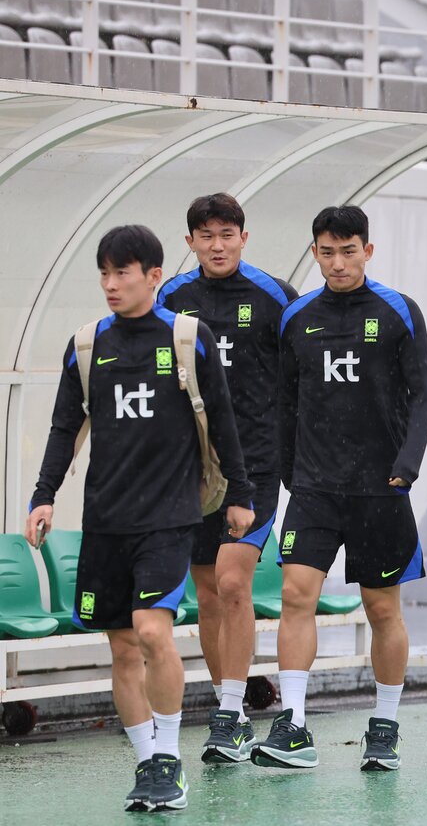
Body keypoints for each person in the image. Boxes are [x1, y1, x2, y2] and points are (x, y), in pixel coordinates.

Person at [26, 225, 256, 812]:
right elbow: (63, 427)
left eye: (122, 273)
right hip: (105, 519)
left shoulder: (187, 338)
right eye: (104, 273)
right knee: (124, 649)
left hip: (169, 517)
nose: (111, 284)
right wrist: (43, 495)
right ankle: (147, 760)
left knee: (153, 631)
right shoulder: (86, 345)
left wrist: (240, 492)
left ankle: (170, 759)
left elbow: (223, 419)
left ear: (153, 277)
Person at [255, 205, 427, 772]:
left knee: (381, 608)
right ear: (315, 253)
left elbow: (423, 397)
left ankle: (385, 726)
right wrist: (289, 470)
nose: (337, 263)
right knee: (294, 595)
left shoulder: (399, 311)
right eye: (327, 252)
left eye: (348, 251)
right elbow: (285, 400)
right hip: (314, 487)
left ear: (367, 251)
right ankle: (294, 725)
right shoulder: (297, 316)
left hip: (380, 489)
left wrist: (407, 466)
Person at [156, 193, 297, 764]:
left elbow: (300, 374)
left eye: (227, 234)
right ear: (190, 242)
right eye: (206, 236)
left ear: (244, 237)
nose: (217, 246)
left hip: (256, 464)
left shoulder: (275, 296)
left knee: (234, 581)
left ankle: (230, 710)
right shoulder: (171, 298)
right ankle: (231, 713)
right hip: (192, 468)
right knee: (209, 590)